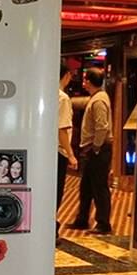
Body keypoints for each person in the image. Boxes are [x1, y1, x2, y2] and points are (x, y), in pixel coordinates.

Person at [67, 67, 113, 234]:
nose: (83, 82)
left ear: (89, 81)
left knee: (99, 187)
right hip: (93, 149)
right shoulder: (97, 97)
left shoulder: (99, 100)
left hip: (98, 149)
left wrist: (96, 147)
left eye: (85, 79)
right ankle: (82, 219)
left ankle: (103, 223)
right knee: (86, 186)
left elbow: (102, 127)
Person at [56, 63, 77, 241]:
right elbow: (62, 129)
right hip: (58, 152)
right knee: (56, 192)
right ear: (67, 75)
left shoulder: (46, 94)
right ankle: (51, 228)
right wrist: (70, 154)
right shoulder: (62, 98)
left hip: (47, 151)